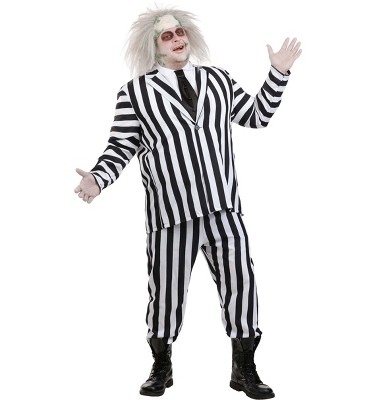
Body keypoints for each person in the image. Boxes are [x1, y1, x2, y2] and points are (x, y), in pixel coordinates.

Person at [74, 7, 301, 399]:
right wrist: (98, 178)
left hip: (222, 207)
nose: (177, 39)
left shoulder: (218, 79)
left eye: (180, 32)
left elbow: (257, 116)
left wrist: (278, 73)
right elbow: (121, 146)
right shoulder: (135, 94)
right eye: (167, 36)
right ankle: (161, 365)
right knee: (165, 293)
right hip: (170, 214)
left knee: (241, 284)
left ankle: (244, 367)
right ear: (154, 46)